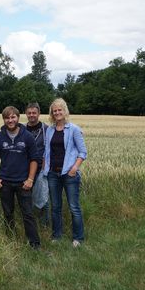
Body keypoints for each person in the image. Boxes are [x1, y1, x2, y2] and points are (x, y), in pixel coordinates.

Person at [0, 106, 42, 249]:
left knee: (28, 214)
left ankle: (34, 244)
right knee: (8, 213)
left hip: (23, 183)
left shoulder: (27, 136)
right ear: (4, 119)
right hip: (4, 183)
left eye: (13, 117)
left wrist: (30, 179)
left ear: (18, 118)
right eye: (7, 118)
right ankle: (11, 240)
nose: (10, 120)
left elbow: (34, 159)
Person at [42, 98, 87, 247]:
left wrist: (74, 169)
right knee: (55, 207)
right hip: (53, 174)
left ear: (64, 111)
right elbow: (46, 152)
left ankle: (78, 238)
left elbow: (83, 152)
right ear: (52, 113)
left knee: (74, 206)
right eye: (54, 111)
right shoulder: (50, 130)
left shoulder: (73, 129)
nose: (57, 113)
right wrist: (45, 169)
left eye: (59, 110)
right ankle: (57, 235)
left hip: (69, 174)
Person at [25, 102, 49, 227]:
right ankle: (30, 223)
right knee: (26, 197)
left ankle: (44, 224)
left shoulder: (46, 129)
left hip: (41, 169)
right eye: (29, 113)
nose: (31, 115)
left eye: (34, 113)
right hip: (25, 169)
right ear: (26, 114)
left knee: (44, 197)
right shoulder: (21, 129)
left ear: (39, 113)